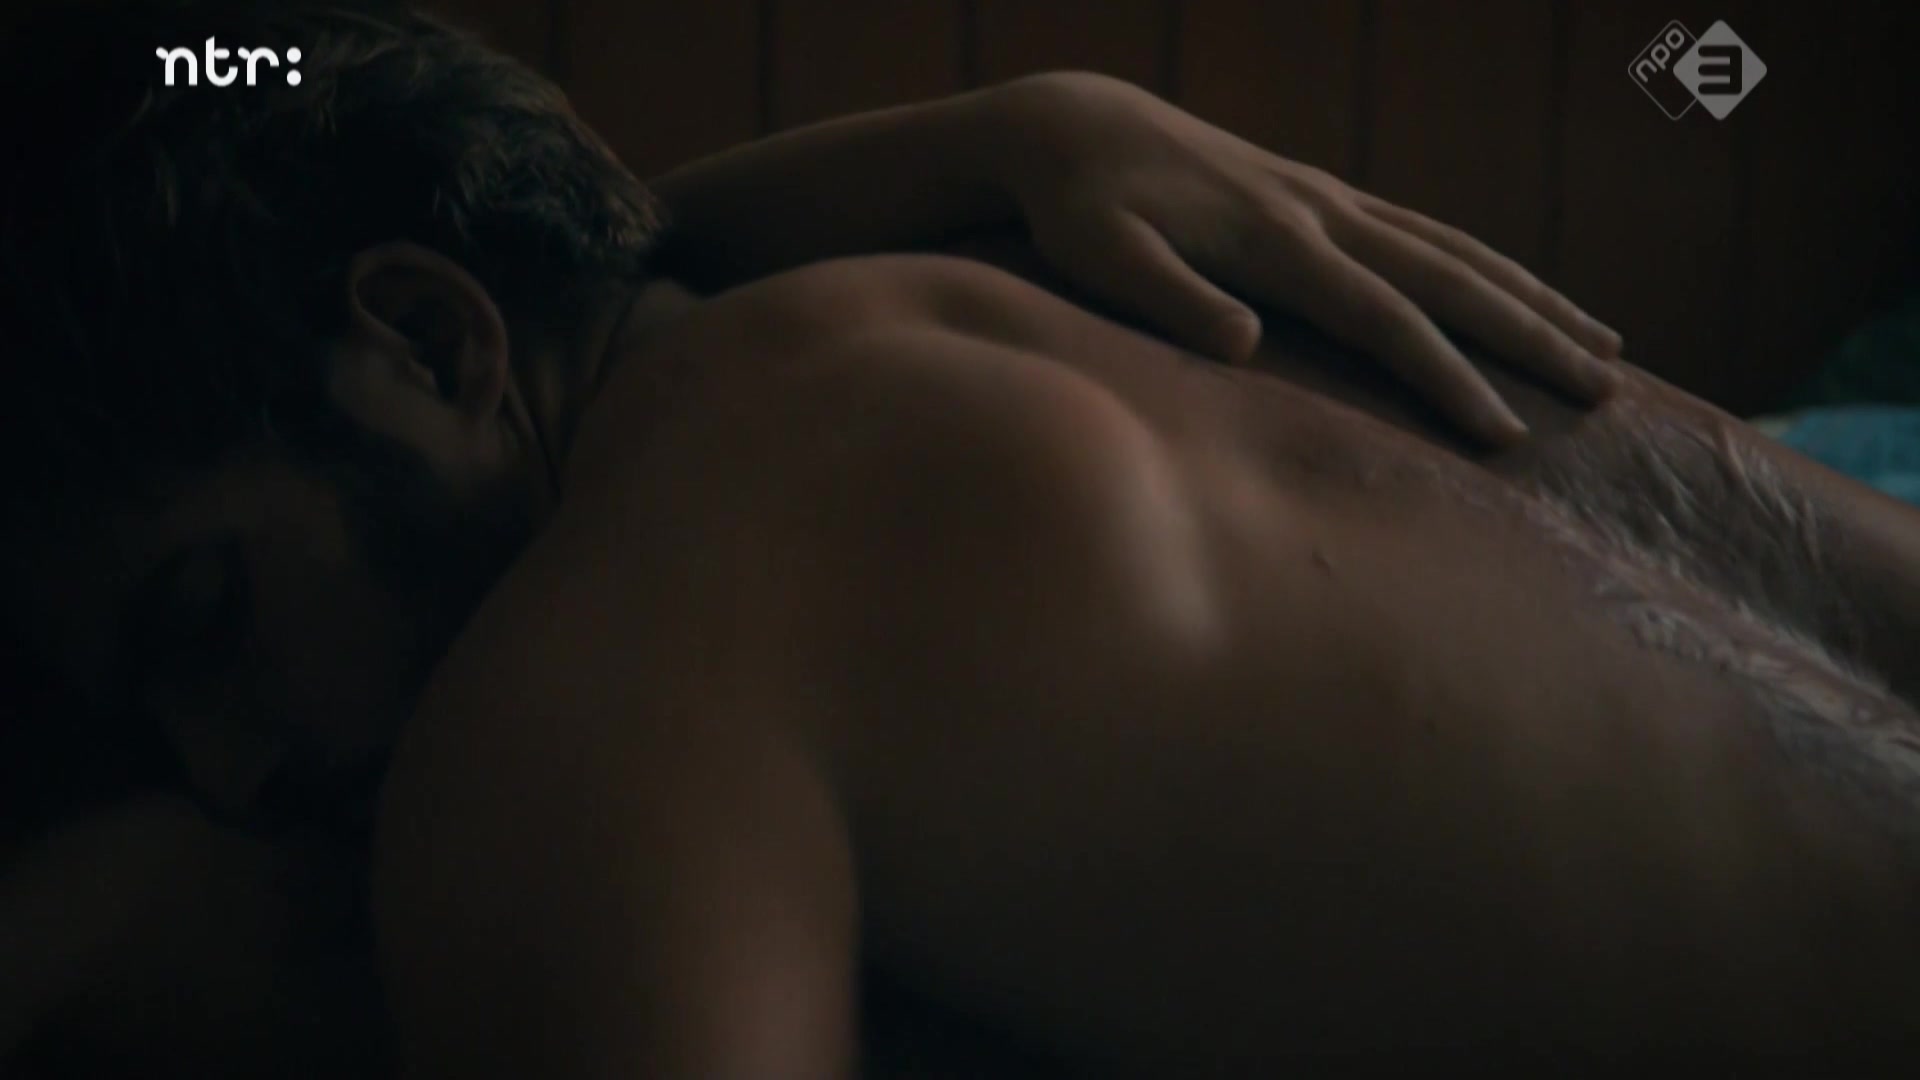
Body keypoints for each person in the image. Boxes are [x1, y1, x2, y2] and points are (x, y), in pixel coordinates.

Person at [4, 1, 1917, 1074]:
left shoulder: (575, 698)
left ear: (431, 338)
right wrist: (989, 119)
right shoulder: (1035, 257)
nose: (225, 772)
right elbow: (303, 93)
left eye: (204, 616)